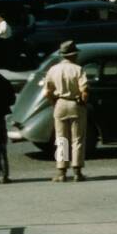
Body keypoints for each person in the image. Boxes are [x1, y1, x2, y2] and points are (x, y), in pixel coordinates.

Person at [43, 39, 89, 182]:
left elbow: (47, 92)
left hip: (60, 104)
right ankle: (77, 171)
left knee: (61, 138)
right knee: (77, 139)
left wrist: (54, 102)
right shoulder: (78, 69)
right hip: (75, 104)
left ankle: (61, 172)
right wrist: (82, 101)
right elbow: (85, 90)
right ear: (73, 55)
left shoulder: (53, 69)